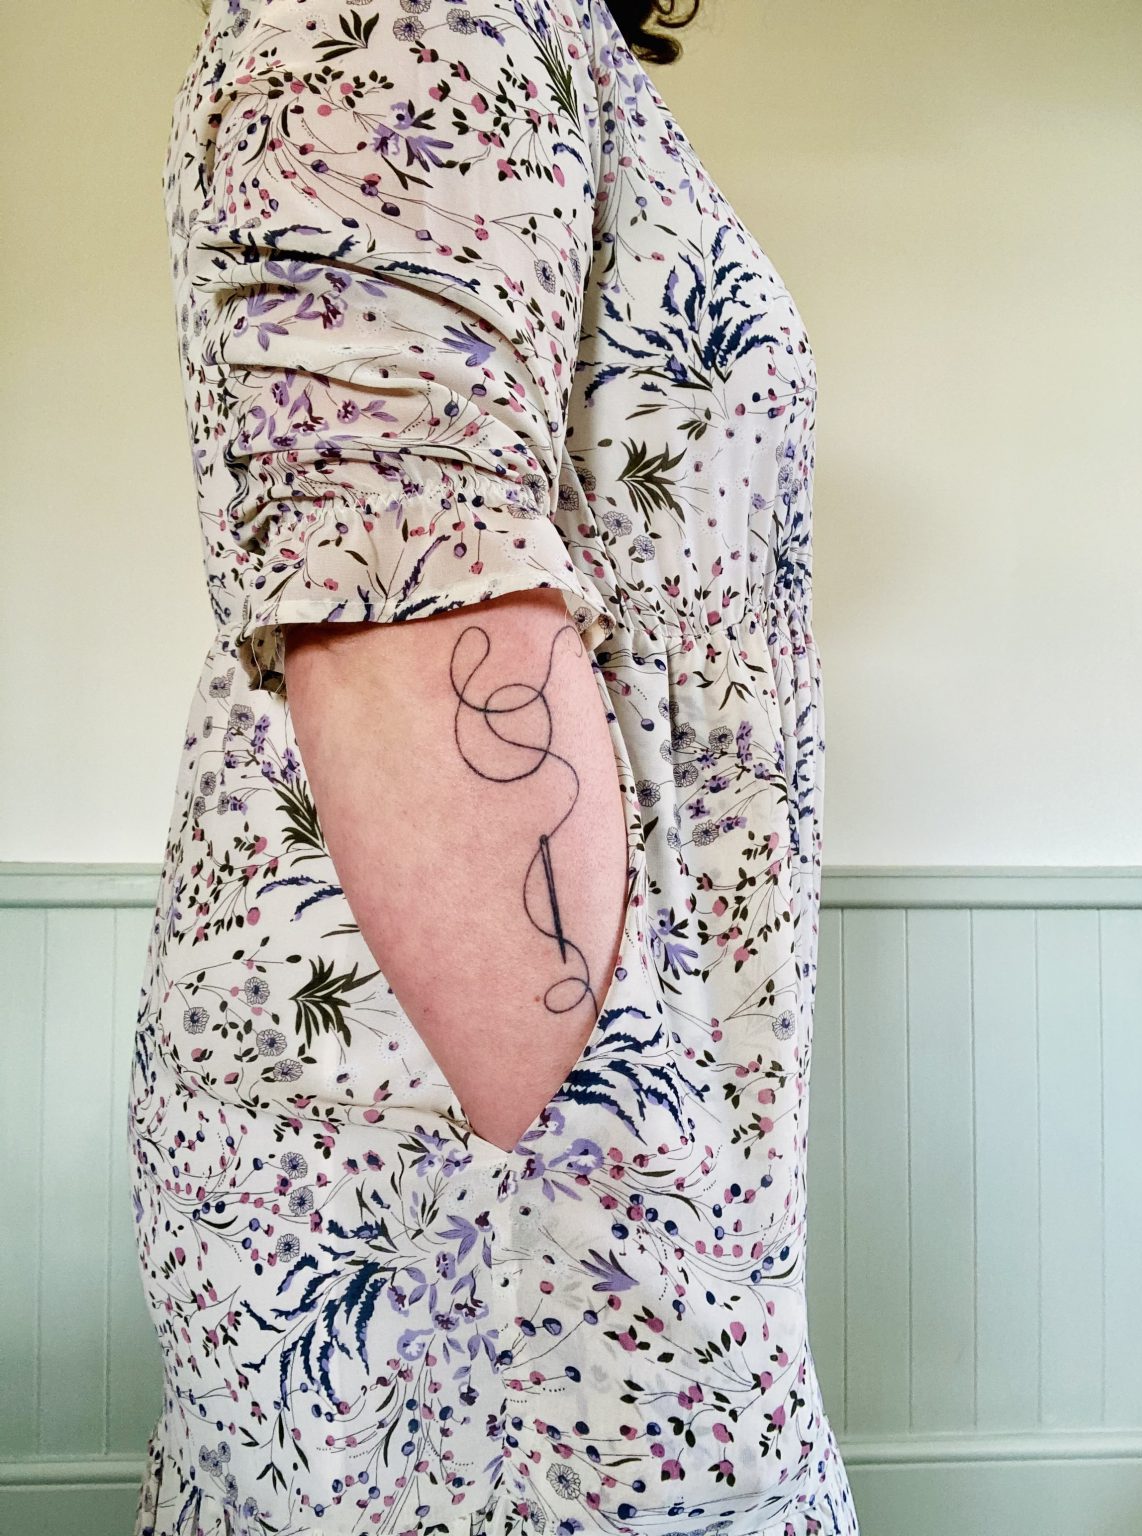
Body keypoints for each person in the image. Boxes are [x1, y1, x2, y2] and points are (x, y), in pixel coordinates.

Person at [130, 0, 859, 1532]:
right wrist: (591, 1168)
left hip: (561, 1128)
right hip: (501, 1148)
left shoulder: (544, 36)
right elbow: (409, 593)